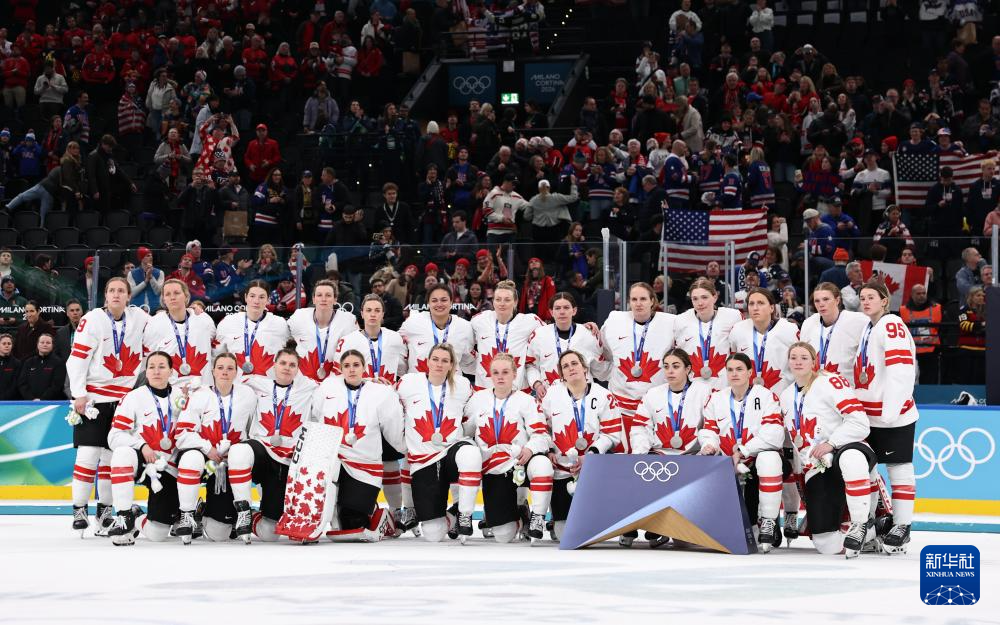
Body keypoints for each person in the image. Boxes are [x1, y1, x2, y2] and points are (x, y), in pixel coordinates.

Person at [65, 277, 150, 536]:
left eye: (121, 290)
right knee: (88, 455)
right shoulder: (92, 319)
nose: (116, 294)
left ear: (128, 296)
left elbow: (164, 324)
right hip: (94, 398)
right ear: (105, 295)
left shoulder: (139, 318)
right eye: (111, 290)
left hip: (124, 401)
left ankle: (105, 512)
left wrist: (193, 311)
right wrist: (79, 394)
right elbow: (77, 358)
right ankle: (79, 509)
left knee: (113, 459)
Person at [780, 342, 876, 557]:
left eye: (804, 357)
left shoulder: (830, 382)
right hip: (817, 466)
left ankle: (861, 525)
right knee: (826, 546)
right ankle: (866, 531)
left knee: (851, 458)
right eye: (793, 357)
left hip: (846, 450)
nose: (798, 362)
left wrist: (831, 443)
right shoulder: (786, 396)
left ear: (814, 362)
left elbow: (860, 423)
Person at [853, 281, 919, 554]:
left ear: (884, 301)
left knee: (898, 467)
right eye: (862, 297)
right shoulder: (869, 327)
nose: (866, 301)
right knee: (865, 469)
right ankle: (868, 525)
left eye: (871, 297)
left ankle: (902, 525)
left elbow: (901, 368)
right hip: (868, 415)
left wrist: (892, 409)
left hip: (892, 415)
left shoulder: (891, 324)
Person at [311, 349, 405, 541]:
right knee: (326, 497)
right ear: (340, 369)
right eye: (346, 366)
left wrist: (408, 449)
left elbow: (393, 430)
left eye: (356, 365)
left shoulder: (380, 393)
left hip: (364, 466)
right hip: (334, 460)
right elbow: (316, 415)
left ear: (364, 368)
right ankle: (333, 510)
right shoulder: (328, 387)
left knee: (353, 525)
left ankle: (383, 518)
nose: (351, 369)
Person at [227, 348, 318, 543]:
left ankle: (253, 516)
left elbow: (339, 387)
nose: (287, 368)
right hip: (261, 450)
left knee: (270, 533)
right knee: (239, 450)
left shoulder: (309, 388)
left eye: (292, 365)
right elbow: (225, 382)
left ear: (298, 369)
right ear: (274, 365)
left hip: (286, 461)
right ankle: (243, 511)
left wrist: (369, 381)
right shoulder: (255, 383)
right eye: (283, 363)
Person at [698, 353, 785, 552]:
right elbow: (710, 429)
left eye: (739, 369)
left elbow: (774, 433)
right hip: (727, 462)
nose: (734, 374)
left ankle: (768, 522)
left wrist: (743, 450)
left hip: (756, 461)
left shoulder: (765, 396)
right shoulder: (716, 398)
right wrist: (709, 445)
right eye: (730, 370)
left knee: (769, 458)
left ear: (749, 372)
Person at [396, 343, 479, 542]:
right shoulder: (408, 382)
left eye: (445, 360)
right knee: (433, 534)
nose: (439, 364)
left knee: (470, 454)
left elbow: (473, 415)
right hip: (424, 459)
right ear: (427, 361)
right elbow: (389, 403)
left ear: (452, 365)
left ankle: (464, 514)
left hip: (451, 451)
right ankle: (452, 516)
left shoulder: (463, 386)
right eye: (435, 359)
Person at [630, 347, 714, 544]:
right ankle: (656, 525)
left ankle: (688, 527)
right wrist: (639, 452)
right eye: (666, 366)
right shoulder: (652, 394)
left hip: (692, 454)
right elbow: (640, 427)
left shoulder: (704, 391)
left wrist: (708, 445)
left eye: (676, 366)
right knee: (646, 469)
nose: (670, 371)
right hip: (660, 453)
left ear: (688, 369)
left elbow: (711, 424)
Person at [466, 353, 553, 542]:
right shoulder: (477, 400)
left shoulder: (527, 401)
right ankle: (521, 515)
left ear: (515, 374)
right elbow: (466, 432)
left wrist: (529, 449)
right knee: (503, 535)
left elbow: (542, 435)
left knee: (542, 464)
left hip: (520, 462)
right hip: (494, 469)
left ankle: (538, 516)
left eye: (505, 372)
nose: (500, 377)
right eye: (496, 372)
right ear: (490, 375)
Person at [173, 353, 259, 542]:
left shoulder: (247, 395)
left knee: (218, 534)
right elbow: (182, 434)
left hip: (232, 463)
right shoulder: (199, 395)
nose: (224, 372)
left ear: (236, 372)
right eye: (220, 368)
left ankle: (207, 512)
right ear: (212, 371)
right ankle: (187, 514)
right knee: (190, 458)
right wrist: (207, 448)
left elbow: (253, 429)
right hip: (206, 460)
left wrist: (238, 451)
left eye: (230, 368)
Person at [105, 351, 188, 545]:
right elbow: (114, 436)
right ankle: (124, 515)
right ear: (146, 371)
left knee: (157, 534)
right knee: (122, 453)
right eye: (151, 367)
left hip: (170, 468)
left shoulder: (183, 397)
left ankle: (137, 516)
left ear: (171, 371)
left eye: (162, 367)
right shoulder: (133, 397)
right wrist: (141, 446)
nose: (156, 371)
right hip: (143, 460)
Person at [541, 349, 622, 542]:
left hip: (593, 467)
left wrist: (591, 454)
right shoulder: (552, 395)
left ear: (585, 368)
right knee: (563, 534)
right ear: (561, 374)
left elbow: (612, 434)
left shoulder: (604, 396)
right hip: (562, 469)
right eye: (565, 366)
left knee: (591, 529)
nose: (571, 368)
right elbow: (541, 427)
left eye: (574, 363)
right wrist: (548, 449)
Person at [599, 282, 676, 451]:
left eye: (643, 299)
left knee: (654, 454)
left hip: (656, 404)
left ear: (652, 301)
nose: (638, 303)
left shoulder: (670, 323)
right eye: (634, 299)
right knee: (623, 455)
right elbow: (605, 352)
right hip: (621, 404)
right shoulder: (614, 321)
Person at [525, 292, 608, 400]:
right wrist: (537, 384)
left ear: (574, 310)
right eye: (557, 308)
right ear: (551, 312)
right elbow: (530, 365)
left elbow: (600, 368)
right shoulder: (539, 335)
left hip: (582, 398)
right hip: (549, 398)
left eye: (566, 307)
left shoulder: (588, 335)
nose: (562, 312)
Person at [469, 280, 545, 392]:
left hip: (518, 391)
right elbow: (465, 346)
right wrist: (477, 364)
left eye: (507, 300)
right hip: (484, 390)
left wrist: (534, 375)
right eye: (498, 299)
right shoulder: (479, 320)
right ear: (493, 301)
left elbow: (549, 341)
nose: (502, 303)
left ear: (515, 302)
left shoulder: (530, 321)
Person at [142, 279, 217, 388]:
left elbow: (215, 351)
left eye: (177, 293)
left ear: (186, 296)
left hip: (203, 388)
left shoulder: (204, 320)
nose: (172, 297)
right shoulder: (154, 324)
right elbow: (148, 359)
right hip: (169, 390)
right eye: (168, 294)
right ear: (163, 299)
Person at [214, 280, 291, 381]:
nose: (256, 301)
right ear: (246, 297)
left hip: (268, 386)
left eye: (261, 297)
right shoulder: (228, 323)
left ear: (268, 299)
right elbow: (216, 356)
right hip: (236, 385)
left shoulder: (280, 324)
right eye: (252, 296)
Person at [729, 287, 799, 394]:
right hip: (748, 396)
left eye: (760, 303)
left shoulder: (789, 329)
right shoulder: (738, 330)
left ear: (771, 308)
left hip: (782, 395)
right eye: (751, 304)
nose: (755, 308)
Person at [674, 278, 742, 389]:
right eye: (695, 299)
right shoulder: (681, 321)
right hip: (693, 388)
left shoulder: (732, 317)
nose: (700, 303)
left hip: (724, 387)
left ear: (715, 297)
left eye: (704, 297)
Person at [287, 280, 358, 382]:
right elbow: (281, 336)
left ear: (335, 299)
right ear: (313, 299)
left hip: (335, 381)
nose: (323, 299)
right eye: (319, 295)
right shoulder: (299, 317)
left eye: (328, 295)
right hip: (302, 382)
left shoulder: (347, 320)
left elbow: (358, 349)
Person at [399, 283, 476, 375]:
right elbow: (397, 351)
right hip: (418, 382)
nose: (439, 304)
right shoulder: (412, 323)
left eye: (444, 300)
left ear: (451, 302)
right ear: (428, 303)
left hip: (451, 382)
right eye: (434, 300)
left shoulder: (464, 327)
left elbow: (468, 363)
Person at [799, 282, 869, 377]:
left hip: (846, 383)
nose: (821, 304)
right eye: (817, 301)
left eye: (826, 299)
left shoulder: (858, 320)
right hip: (815, 383)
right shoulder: (808, 323)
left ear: (837, 300)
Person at [335, 294, 407, 384]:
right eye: (368, 310)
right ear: (362, 314)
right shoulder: (347, 341)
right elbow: (338, 374)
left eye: (377, 310)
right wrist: (367, 381)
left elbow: (403, 372)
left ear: (383, 314)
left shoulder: (395, 338)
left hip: (388, 391)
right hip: (359, 391)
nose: (373, 314)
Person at [900, 284, 942, 385]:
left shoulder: (937, 308)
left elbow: (943, 329)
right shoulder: (903, 310)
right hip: (911, 351)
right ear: (912, 295)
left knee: (930, 381)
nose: (922, 296)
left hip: (931, 351)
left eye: (923, 293)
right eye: (918, 294)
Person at [17, 332, 65, 400]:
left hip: (51, 403)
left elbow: (57, 385)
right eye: (42, 342)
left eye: (48, 343)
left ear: (52, 345)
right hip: (30, 402)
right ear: (37, 345)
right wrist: (31, 398)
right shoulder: (29, 362)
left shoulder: (58, 363)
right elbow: (22, 383)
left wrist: (42, 399)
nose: (45, 344)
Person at [957, 286, 986, 385]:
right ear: (971, 297)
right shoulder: (964, 310)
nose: (981, 297)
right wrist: (981, 325)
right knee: (966, 378)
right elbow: (963, 325)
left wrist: (978, 327)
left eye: (982, 295)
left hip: (983, 350)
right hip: (966, 349)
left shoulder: (988, 310)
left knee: (980, 379)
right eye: (978, 295)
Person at [0, 334, 21, 400]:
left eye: (9, 344)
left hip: (10, 401)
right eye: (4, 343)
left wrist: (4, 398)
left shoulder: (17, 363)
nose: (6, 346)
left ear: (12, 346)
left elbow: (15, 384)